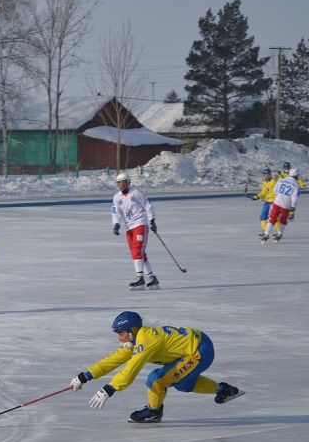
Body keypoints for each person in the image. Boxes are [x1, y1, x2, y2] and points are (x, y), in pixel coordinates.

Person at [68, 310, 244, 424]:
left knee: (156, 380)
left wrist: (109, 389)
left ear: (132, 331)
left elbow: (131, 369)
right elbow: (114, 360)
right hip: (197, 344)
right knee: (183, 384)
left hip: (199, 350)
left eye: (121, 334)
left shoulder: (146, 341)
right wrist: (85, 376)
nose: (119, 339)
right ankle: (224, 390)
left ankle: (153, 411)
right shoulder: (137, 339)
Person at [112, 172, 159, 290]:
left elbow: (148, 205)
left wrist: (152, 220)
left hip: (140, 224)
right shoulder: (117, 197)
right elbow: (115, 212)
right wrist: (116, 224)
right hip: (129, 227)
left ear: (128, 182)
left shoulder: (136, 193)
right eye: (120, 182)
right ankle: (152, 278)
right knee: (138, 253)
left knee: (137, 250)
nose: (122, 184)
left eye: (124, 182)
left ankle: (140, 278)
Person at [262, 167, 300, 244]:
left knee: (272, 218)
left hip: (277, 202)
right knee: (283, 220)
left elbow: (275, 190)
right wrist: (293, 208)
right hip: (286, 205)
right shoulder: (296, 185)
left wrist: (280, 196)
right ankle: (279, 234)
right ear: (296, 176)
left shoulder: (282, 180)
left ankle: (266, 235)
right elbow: (294, 198)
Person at [249, 167, 277, 236]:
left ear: (270, 174)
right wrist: (257, 196)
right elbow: (263, 193)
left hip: (273, 202)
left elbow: (278, 192)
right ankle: (265, 231)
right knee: (263, 216)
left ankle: (279, 232)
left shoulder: (274, 182)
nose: (267, 175)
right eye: (265, 174)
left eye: (268, 174)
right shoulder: (264, 182)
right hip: (267, 202)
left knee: (274, 217)